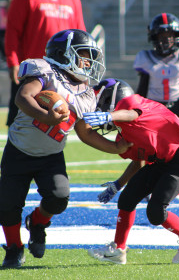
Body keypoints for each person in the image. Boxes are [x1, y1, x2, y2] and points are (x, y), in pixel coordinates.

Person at [0, 29, 132, 268]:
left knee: (59, 198)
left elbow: (85, 133)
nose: (89, 62)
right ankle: (13, 248)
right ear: (63, 53)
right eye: (83, 55)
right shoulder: (44, 70)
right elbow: (23, 97)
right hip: (19, 151)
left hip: (51, 156)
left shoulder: (87, 94)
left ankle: (37, 222)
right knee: (8, 205)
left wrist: (115, 148)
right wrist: (45, 116)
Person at [83, 78, 179, 265]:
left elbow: (132, 114)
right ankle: (119, 249)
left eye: (101, 104)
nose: (99, 109)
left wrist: (110, 116)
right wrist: (117, 185)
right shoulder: (124, 132)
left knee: (155, 212)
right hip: (160, 162)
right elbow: (138, 161)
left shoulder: (131, 102)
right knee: (127, 198)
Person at [5, 0, 86, 127]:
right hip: (30, 72)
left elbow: (79, 36)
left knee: (55, 125)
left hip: (61, 74)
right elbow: (12, 32)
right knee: (20, 122)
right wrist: (13, 62)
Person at [134, 13, 179, 201]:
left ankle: (178, 183)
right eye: (162, 36)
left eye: (169, 36)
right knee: (152, 148)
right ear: (154, 37)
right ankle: (152, 184)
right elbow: (142, 89)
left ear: (176, 37)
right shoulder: (145, 57)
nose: (166, 40)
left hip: (176, 107)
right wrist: (138, 112)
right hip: (154, 108)